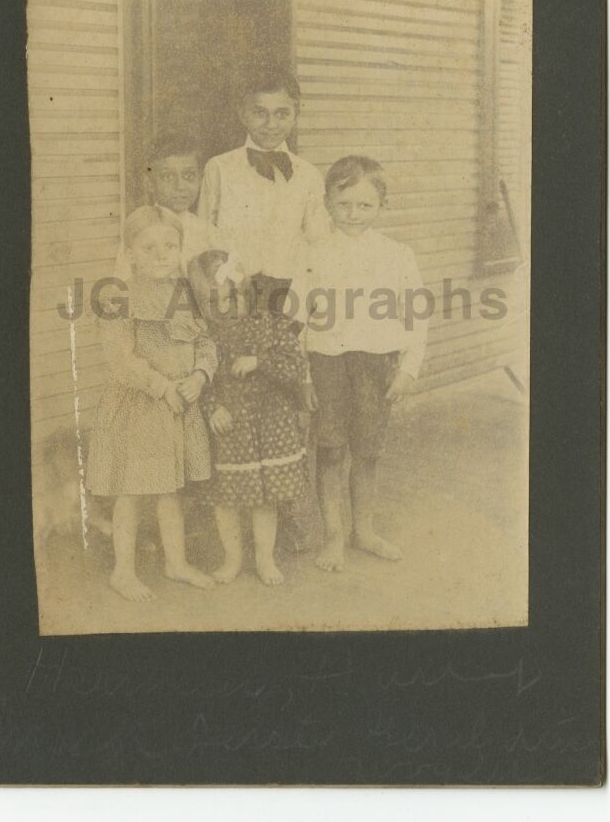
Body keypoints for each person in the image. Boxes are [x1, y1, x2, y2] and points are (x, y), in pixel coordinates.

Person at [290, 155, 429, 573]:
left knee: (367, 452)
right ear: (328, 202)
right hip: (327, 365)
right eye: (344, 203)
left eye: (365, 205)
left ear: (381, 206)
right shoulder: (312, 254)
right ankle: (333, 537)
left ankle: (363, 530)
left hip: (377, 366)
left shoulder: (397, 255)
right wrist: (302, 375)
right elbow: (295, 322)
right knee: (330, 451)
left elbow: (417, 316)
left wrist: (409, 368)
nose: (354, 214)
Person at [88, 206, 218, 601]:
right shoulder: (118, 296)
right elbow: (119, 359)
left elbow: (206, 341)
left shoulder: (187, 293)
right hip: (141, 407)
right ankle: (122, 572)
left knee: (170, 490)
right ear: (130, 254)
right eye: (149, 247)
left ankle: (175, 563)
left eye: (170, 245)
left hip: (181, 403)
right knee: (131, 490)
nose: (161, 254)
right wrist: (161, 387)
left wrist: (200, 375)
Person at [189, 249, 309, 586]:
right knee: (227, 499)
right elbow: (199, 378)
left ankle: (264, 559)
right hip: (232, 428)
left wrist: (260, 362)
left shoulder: (270, 325)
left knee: (265, 499)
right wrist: (214, 408)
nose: (225, 308)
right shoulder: (206, 336)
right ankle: (233, 559)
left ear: (246, 294)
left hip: (271, 424)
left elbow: (295, 366)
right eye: (215, 303)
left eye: (233, 298)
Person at [197, 67, 329, 314]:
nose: (271, 124)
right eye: (260, 113)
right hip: (234, 298)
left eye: (281, 114)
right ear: (242, 113)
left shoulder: (308, 175)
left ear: (296, 113)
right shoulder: (219, 168)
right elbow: (203, 238)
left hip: (290, 299)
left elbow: (318, 243)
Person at [115, 131, 218, 281]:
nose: (180, 186)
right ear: (149, 183)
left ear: (200, 179)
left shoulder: (208, 233)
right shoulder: (138, 231)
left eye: (188, 176)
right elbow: (122, 285)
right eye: (168, 177)